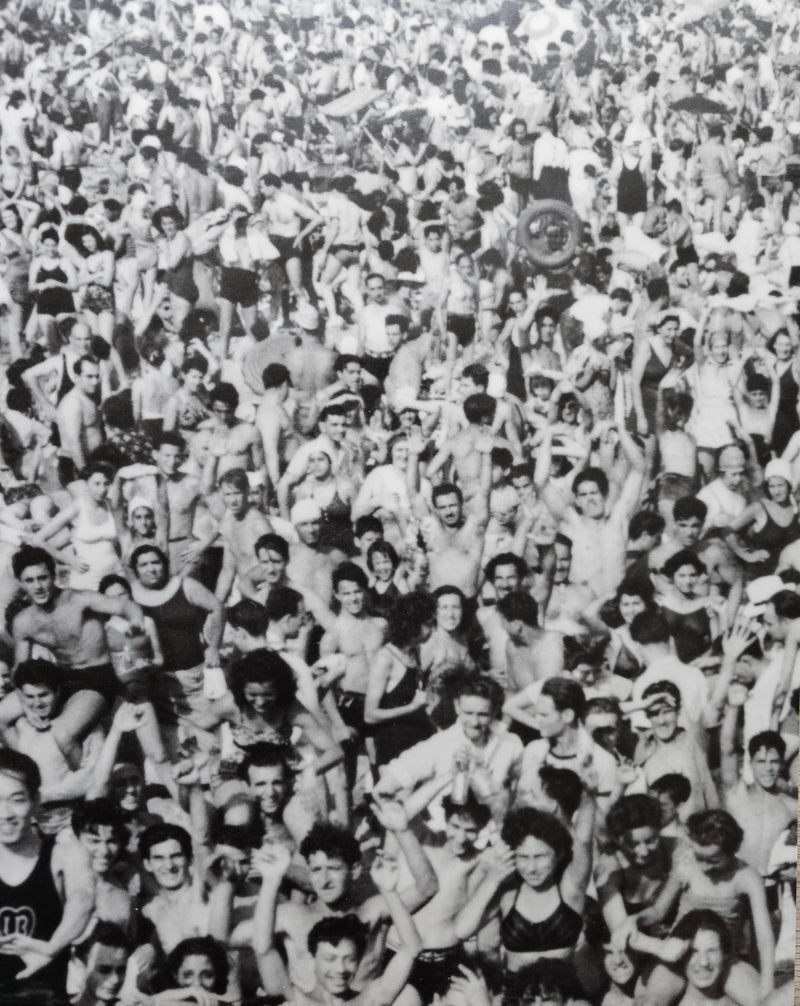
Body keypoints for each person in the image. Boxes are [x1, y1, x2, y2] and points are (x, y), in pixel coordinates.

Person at [0, 749, 95, 1006]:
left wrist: (51, 948)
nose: (5, 813)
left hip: (45, 998)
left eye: (16, 800)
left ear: (35, 800)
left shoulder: (64, 855)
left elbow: (82, 900)